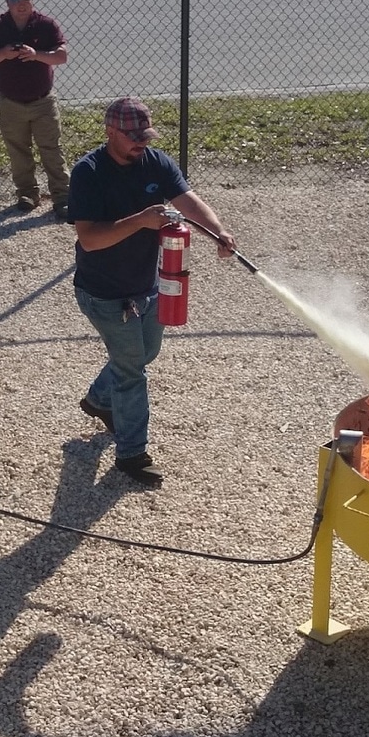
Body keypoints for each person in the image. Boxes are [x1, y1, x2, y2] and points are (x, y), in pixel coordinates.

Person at [68, 98, 235, 488]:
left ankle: (98, 400)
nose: (141, 143)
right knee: (131, 371)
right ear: (110, 132)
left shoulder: (156, 162)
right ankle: (132, 454)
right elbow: (90, 239)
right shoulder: (88, 173)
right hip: (104, 294)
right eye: (133, 137)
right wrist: (141, 220)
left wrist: (217, 231)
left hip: (147, 286)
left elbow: (187, 201)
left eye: (145, 136)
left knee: (146, 352)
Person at [0, 0, 70, 216]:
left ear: (32, 1)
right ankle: (27, 193)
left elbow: (61, 56)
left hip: (43, 101)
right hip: (11, 102)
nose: (22, 6)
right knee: (18, 151)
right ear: (7, 2)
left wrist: (36, 55)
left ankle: (62, 196)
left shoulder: (46, 25)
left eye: (26, 1)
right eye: (17, 1)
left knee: (51, 149)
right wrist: (4, 53)